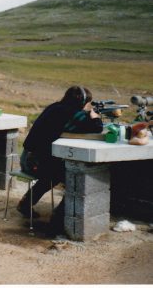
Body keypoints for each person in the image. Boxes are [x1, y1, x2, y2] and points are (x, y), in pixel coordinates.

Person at [17, 85, 103, 233]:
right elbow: (96, 127)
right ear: (82, 101)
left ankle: (25, 204)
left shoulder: (56, 107)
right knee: (72, 179)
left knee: (53, 175)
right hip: (34, 163)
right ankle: (58, 219)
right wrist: (95, 116)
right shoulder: (71, 113)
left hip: (27, 158)